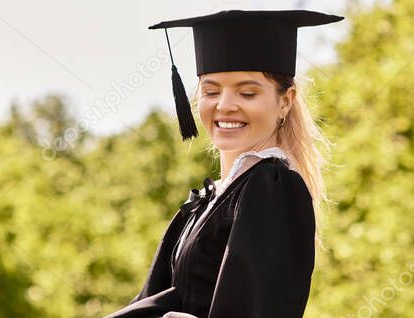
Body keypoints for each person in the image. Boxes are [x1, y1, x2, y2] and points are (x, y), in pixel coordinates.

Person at [106, 10, 343, 318]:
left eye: (247, 92)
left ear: (285, 100)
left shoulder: (273, 187)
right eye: (211, 91)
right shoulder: (212, 198)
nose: (225, 105)